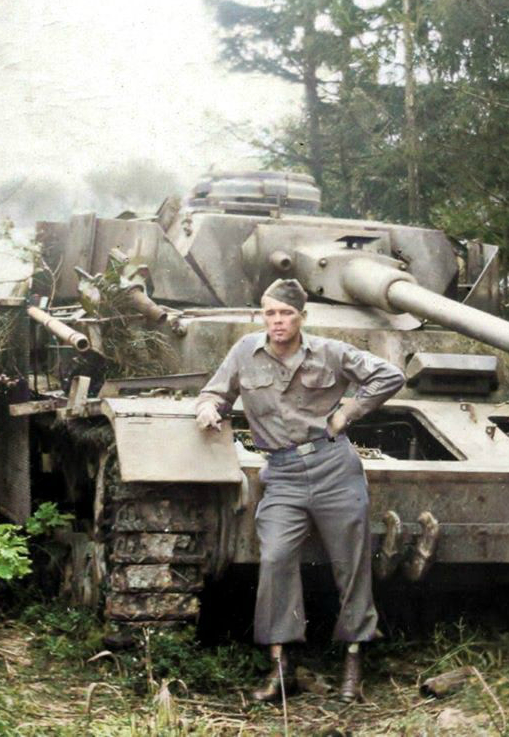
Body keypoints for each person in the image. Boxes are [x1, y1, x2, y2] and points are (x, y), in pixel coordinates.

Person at [195, 278, 405, 703]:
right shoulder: (245, 352)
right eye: (270, 313)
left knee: (351, 563)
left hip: (334, 468)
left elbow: (389, 374)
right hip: (282, 473)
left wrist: (349, 410)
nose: (277, 321)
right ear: (263, 316)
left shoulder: (329, 351)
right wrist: (207, 408)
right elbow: (215, 392)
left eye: (286, 313)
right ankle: (281, 668)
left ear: (301, 317)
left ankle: (353, 666)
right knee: (275, 557)